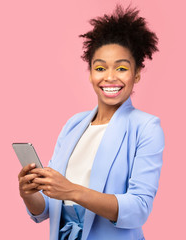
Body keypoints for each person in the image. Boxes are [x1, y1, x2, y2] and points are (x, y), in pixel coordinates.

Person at [18, 5, 164, 240]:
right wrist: (29, 193)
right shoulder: (74, 125)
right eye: (100, 68)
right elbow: (47, 208)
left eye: (122, 68)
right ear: (90, 74)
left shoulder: (146, 127)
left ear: (136, 74)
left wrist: (72, 191)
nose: (110, 76)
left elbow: (138, 208)